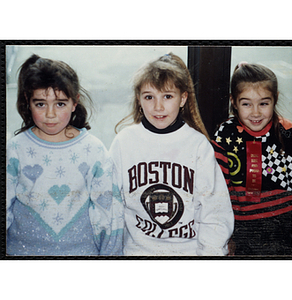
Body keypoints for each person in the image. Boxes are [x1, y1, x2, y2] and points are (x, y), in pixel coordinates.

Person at [109, 53, 234, 256]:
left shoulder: (198, 145)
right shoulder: (124, 143)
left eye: (167, 96)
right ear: (139, 99)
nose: (158, 107)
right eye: (149, 97)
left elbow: (215, 211)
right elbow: (110, 207)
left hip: (188, 253)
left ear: (183, 98)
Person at [6, 54, 124, 256]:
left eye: (60, 104)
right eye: (40, 104)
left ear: (74, 102)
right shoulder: (15, 149)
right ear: (28, 101)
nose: (50, 114)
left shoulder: (94, 150)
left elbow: (110, 212)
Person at [213, 62, 292, 256]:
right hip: (244, 230)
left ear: (275, 99)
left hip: (286, 226)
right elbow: (218, 187)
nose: (256, 112)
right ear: (234, 101)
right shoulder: (225, 135)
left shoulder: (288, 132)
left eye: (263, 103)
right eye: (246, 104)